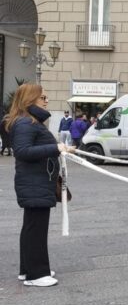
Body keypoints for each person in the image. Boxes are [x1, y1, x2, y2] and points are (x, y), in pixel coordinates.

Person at [6, 84, 75, 287]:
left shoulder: (30, 122)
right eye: (42, 97)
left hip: (37, 181)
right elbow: (23, 151)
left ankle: (27, 269)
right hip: (34, 182)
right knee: (36, 228)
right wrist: (55, 147)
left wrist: (63, 149)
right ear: (30, 99)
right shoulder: (26, 123)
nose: (46, 100)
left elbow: (32, 148)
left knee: (31, 227)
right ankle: (36, 274)